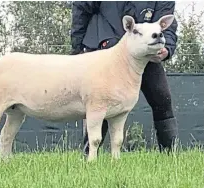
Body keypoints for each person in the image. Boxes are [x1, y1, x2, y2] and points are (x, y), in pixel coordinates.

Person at [70, 1, 179, 155]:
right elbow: (82, 6)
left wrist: (167, 50)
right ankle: (89, 156)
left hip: (145, 54)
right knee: (101, 102)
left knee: (162, 99)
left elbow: (167, 25)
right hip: (106, 52)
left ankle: (170, 156)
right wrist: (78, 48)